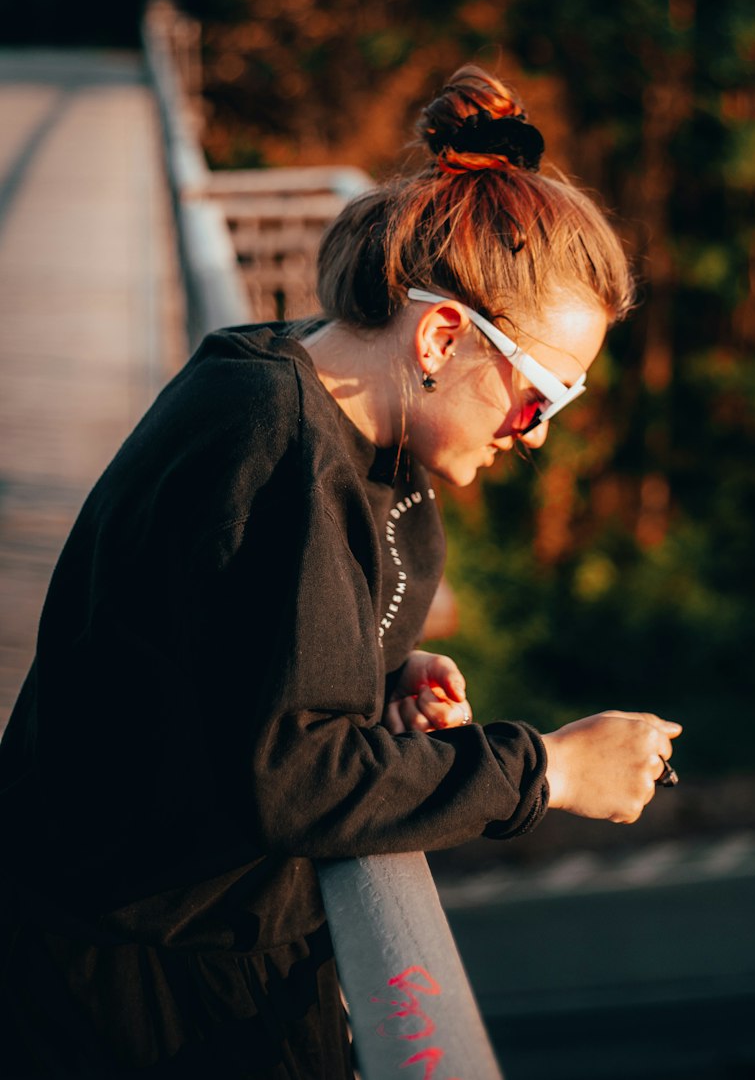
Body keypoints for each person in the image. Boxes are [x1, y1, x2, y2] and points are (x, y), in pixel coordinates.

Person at [0, 64, 682, 1077]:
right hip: (146, 984)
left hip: (167, 943)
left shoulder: (290, 391)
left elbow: (237, 650)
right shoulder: (274, 448)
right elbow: (296, 777)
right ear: (443, 334)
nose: (535, 437)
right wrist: (550, 768)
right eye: (538, 397)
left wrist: (367, 669)